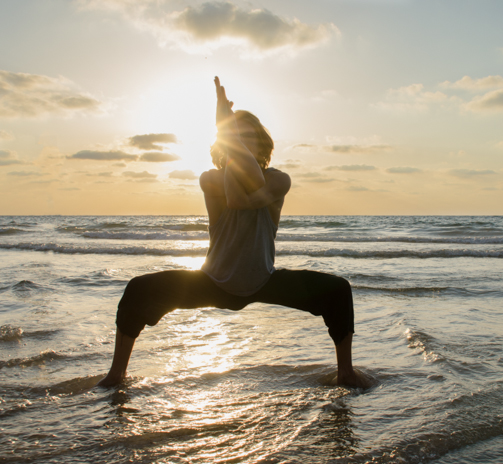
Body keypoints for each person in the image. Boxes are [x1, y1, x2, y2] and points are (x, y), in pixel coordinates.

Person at [97, 77, 370, 388]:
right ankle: (116, 375)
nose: (243, 142)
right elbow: (238, 198)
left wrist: (226, 129)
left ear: (262, 144)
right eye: (236, 138)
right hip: (212, 280)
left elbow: (248, 188)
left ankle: (345, 373)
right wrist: (226, 135)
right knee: (138, 290)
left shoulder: (280, 179)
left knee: (338, 290)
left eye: (248, 137)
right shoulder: (210, 178)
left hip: (263, 280)